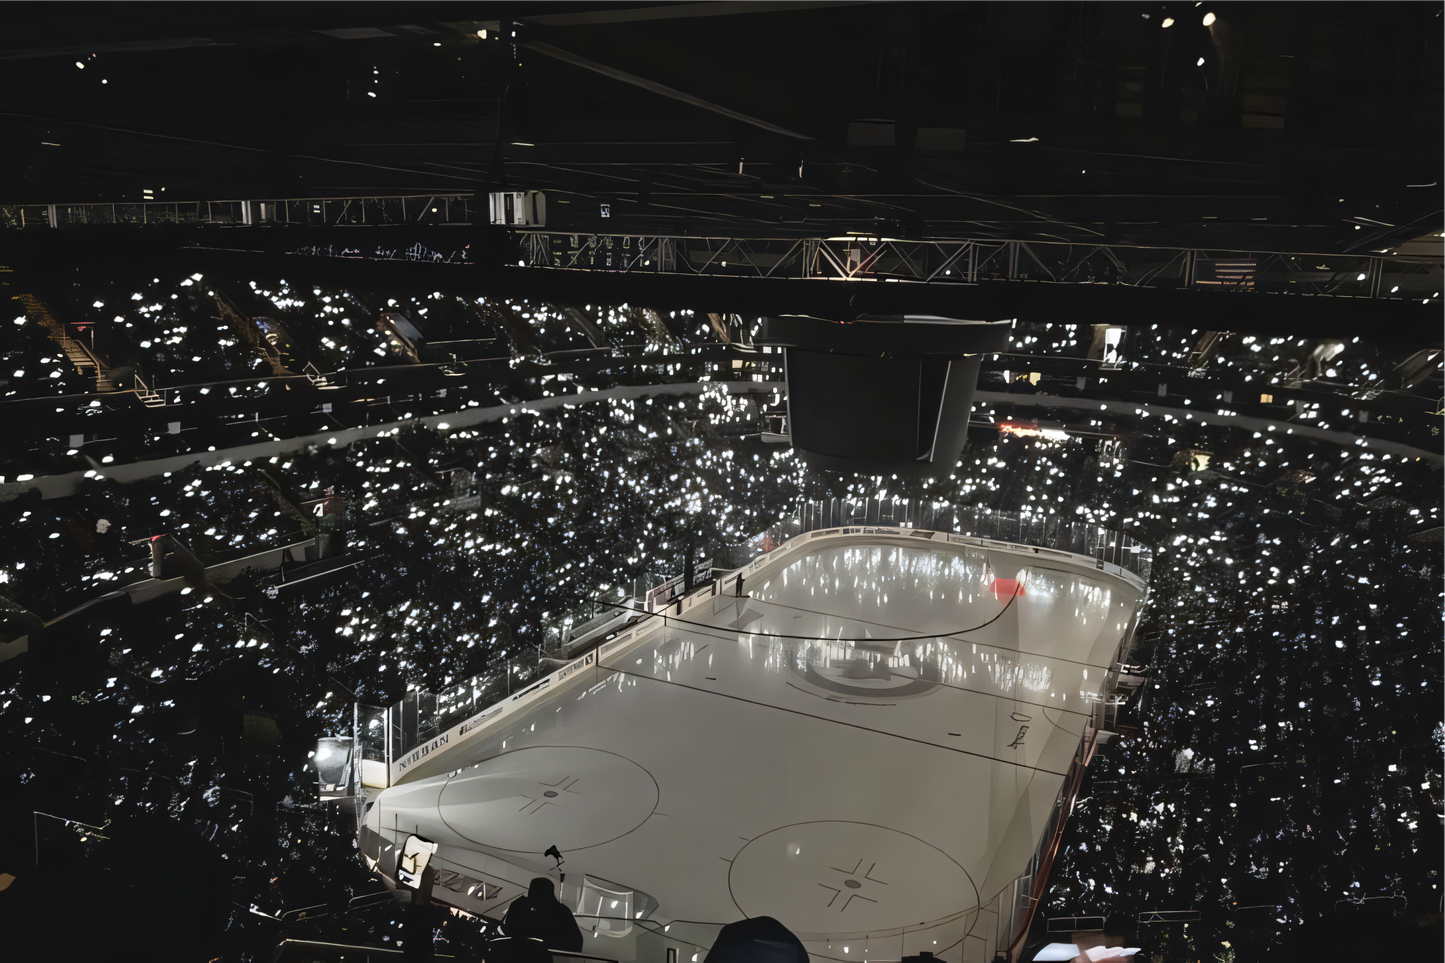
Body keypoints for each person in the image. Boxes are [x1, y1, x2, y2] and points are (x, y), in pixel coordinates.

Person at [503, 877, 584, 953]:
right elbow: (575, 941)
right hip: (551, 957)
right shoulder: (561, 911)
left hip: (518, 955)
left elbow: (508, 931)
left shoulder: (518, 906)